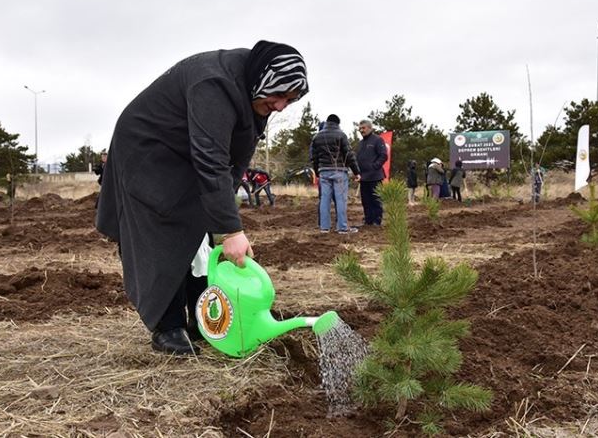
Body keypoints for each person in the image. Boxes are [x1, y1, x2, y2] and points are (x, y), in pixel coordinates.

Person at [96, 41, 309, 355]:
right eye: (279, 95)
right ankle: (167, 327)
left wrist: (223, 218)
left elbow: (233, 162)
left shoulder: (254, 93)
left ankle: (203, 319)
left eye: (289, 101)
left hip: (186, 154)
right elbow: (211, 159)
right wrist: (232, 231)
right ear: (265, 80)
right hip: (148, 151)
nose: (280, 106)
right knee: (165, 234)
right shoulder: (214, 83)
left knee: (201, 231)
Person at [311, 114, 360, 234]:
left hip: (323, 171)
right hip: (339, 171)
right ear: (338, 123)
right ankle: (342, 228)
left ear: (327, 122)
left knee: (324, 199)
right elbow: (349, 154)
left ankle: (324, 227)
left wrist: (317, 172)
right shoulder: (341, 135)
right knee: (340, 199)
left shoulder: (317, 137)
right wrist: (356, 171)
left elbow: (314, 157)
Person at [355, 119, 387, 226]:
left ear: (370, 128)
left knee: (376, 200)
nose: (361, 130)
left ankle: (377, 221)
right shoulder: (360, 143)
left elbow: (383, 155)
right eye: (360, 128)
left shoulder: (378, 140)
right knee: (366, 201)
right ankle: (368, 220)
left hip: (375, 176)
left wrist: (375, 166)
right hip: (363, 177)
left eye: (363, 128)